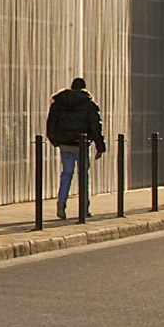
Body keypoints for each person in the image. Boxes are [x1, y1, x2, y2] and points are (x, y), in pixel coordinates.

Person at [45, 77, 106, 220]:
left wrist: (56, 141)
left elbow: (51, 124)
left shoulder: (58, 103)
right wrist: (100, 147)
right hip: (82, 145)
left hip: (65, 145)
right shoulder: (89, 104)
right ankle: (84, 208)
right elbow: (95, 127)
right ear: (84, 88)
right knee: (83, 176)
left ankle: (61, 201)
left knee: (66, 174)